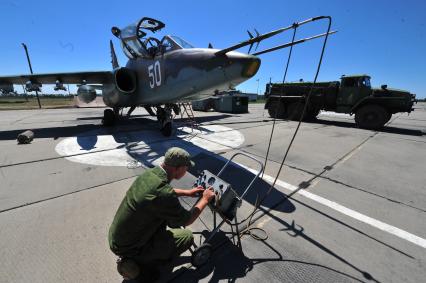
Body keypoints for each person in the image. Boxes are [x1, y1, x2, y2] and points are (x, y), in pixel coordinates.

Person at [108, 147, 215, 281]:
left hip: (117, 238)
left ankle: (145, 255)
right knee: (186, 236)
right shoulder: (164, 194)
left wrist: (186, 192)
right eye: (186, 168)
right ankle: (139, 265)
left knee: (164, 221)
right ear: (178, 168)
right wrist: (205, 199)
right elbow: (186, 219)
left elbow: (160, 190)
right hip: (129, 247)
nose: (187, 171)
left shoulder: (150, 174)